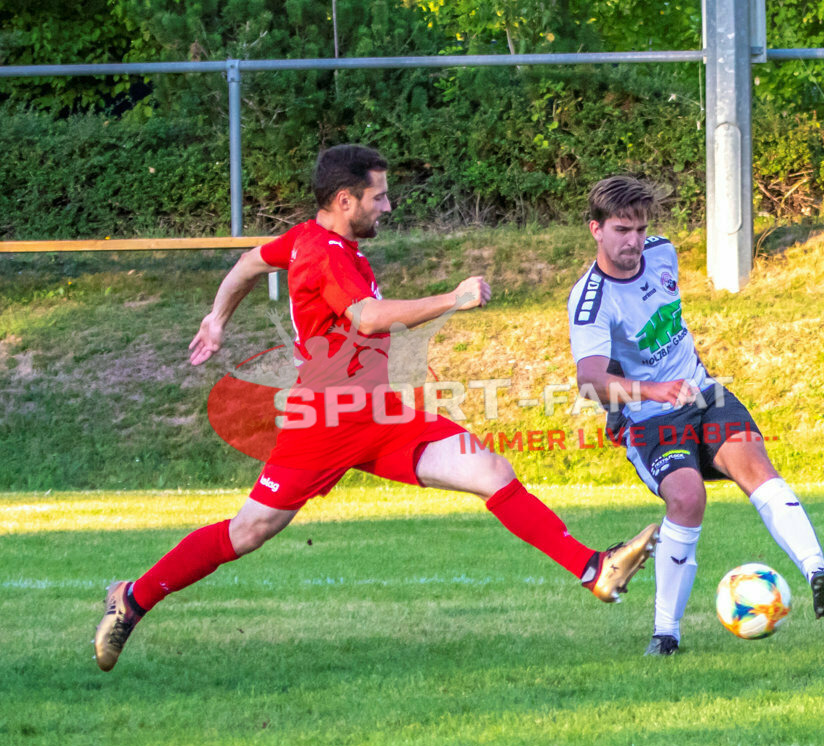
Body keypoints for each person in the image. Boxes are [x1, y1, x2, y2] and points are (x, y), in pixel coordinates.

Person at [93, 146, 659, 672]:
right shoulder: (325, 253)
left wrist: (217, 319)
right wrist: (452, 299)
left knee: (490, 470)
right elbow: (366, 317)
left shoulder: (306, 240)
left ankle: (594, 569)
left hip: (381, 415)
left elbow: (247, 264)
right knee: (250, 530)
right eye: (379, 196)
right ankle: (132, 598)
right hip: (325, 421)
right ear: (346, 200)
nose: (387, 206)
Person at [567, 176, 824, 657]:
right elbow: (589, 379)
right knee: (688, 498)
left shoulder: (663, 253)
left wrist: (684, 381)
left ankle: (818, 572)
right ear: (596, 229)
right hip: (650, 418)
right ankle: (666, 634)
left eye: (640, 229)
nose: (633, 241)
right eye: (621, 230)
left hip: (702, 393)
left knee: (755, 465)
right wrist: (653, 390)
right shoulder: (591, 300)